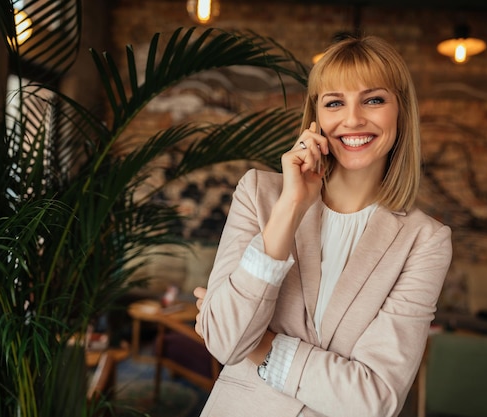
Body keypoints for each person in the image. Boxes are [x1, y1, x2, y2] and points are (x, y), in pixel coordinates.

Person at [192, 35, 452, 417]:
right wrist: (291, 206)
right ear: (316, 118)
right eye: (335, 103)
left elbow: (374, 401)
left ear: (401, 111)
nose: (353, 119)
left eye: (374, 99)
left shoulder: (424, 240)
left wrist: (261, 346)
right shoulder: (260, 194)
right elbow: (226, 342)